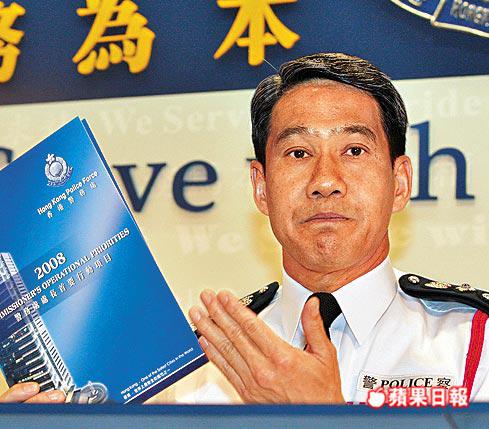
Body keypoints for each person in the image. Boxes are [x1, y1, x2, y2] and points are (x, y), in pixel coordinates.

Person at [1, 53, 488, 405]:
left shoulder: (474, 344)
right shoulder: (195, 366)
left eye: (354, 151)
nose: (325, 181)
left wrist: (324, 419)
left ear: (400, 182)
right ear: (260, 187)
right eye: (298, 153)